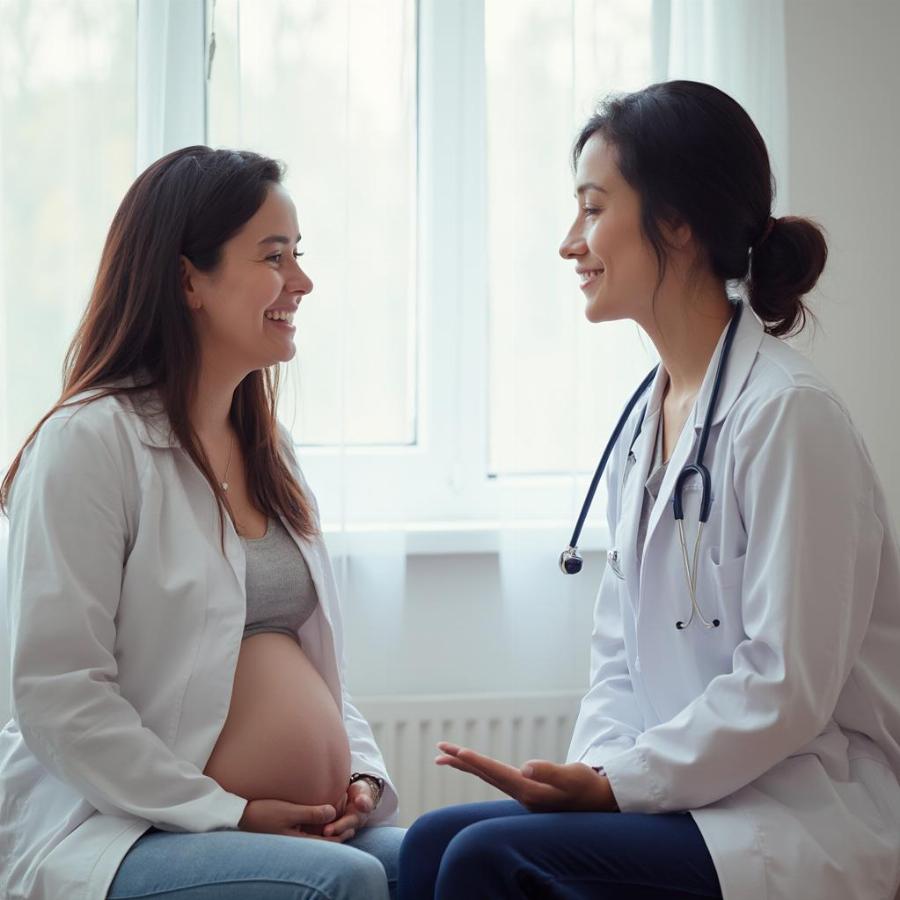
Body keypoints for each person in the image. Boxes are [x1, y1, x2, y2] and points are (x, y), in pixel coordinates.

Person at [398, 80, 900, 900]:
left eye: (593, 209)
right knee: (429, 843)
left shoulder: (787, 416)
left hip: (805, 808)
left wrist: (620, 787)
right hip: (690, 798)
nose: (571, 242)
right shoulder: (649, 418)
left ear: (676, 222)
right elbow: (620, 657)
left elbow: (788, 686)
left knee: (486, 861)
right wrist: (594, 774)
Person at [0, 147, 405, 900]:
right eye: (274, 257)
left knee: (450, 860)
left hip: (280, 825)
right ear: (189, 278)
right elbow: (59, 694)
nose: (303, 282)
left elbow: (317, 668)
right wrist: (232, 810)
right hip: (124, 829)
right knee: (344, 885)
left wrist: (359, 776)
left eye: (300, 256)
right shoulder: (90, 442)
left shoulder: (268, 449)